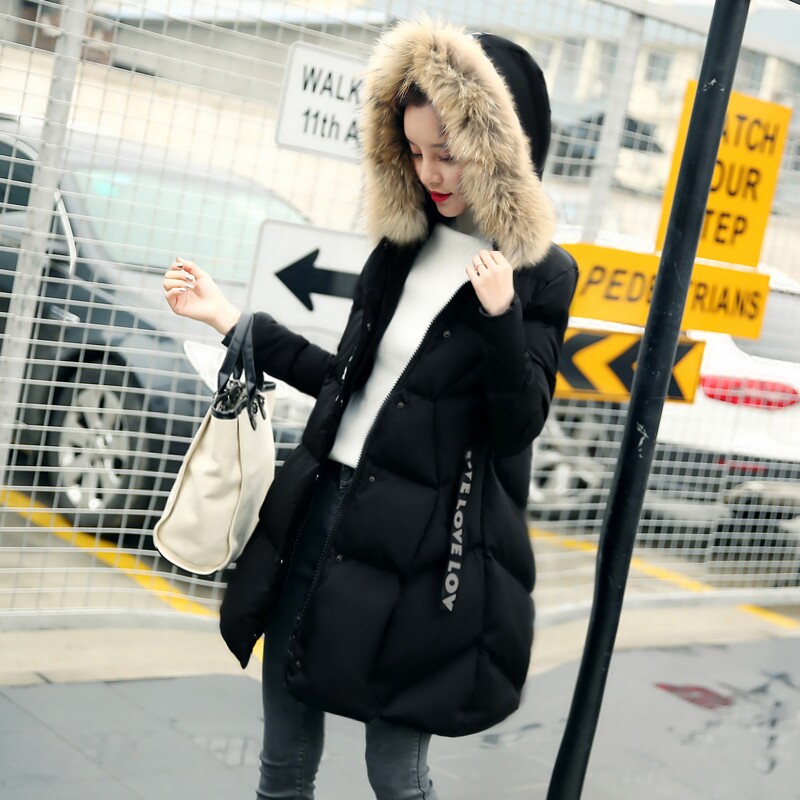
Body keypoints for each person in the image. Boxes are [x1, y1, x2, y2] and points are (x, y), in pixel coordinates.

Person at [163, 18, 577, 800]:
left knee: (395, 774)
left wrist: (501, 315)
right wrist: (231, 321)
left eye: (447, 152)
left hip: (426, 552)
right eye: (414, 152)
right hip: (321, 511)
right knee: (282, 762)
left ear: (499, 148)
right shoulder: (403, 245)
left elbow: (518, 424)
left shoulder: (541, 274)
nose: (430, 173)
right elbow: (348, 383)